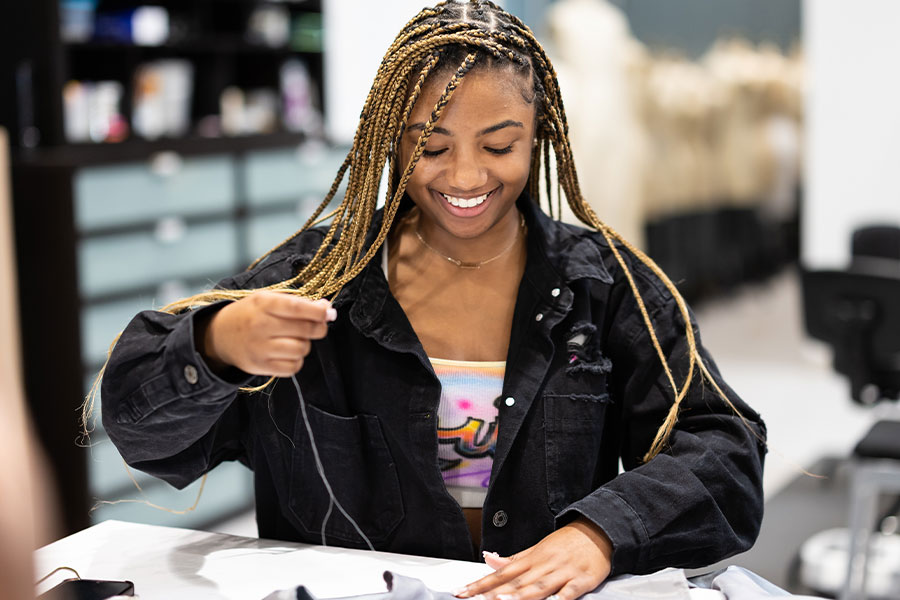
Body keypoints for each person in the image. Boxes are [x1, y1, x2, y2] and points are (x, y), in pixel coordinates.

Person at [95, 2, 766, 599]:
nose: (466, 176)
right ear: (390, 138)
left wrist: (601, 533)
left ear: (540, 137)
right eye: (431, 146)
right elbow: (138, 430)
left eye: (498, 145)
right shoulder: (315, 279)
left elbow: (726, 451)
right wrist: (215, 346)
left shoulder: (608, 288)